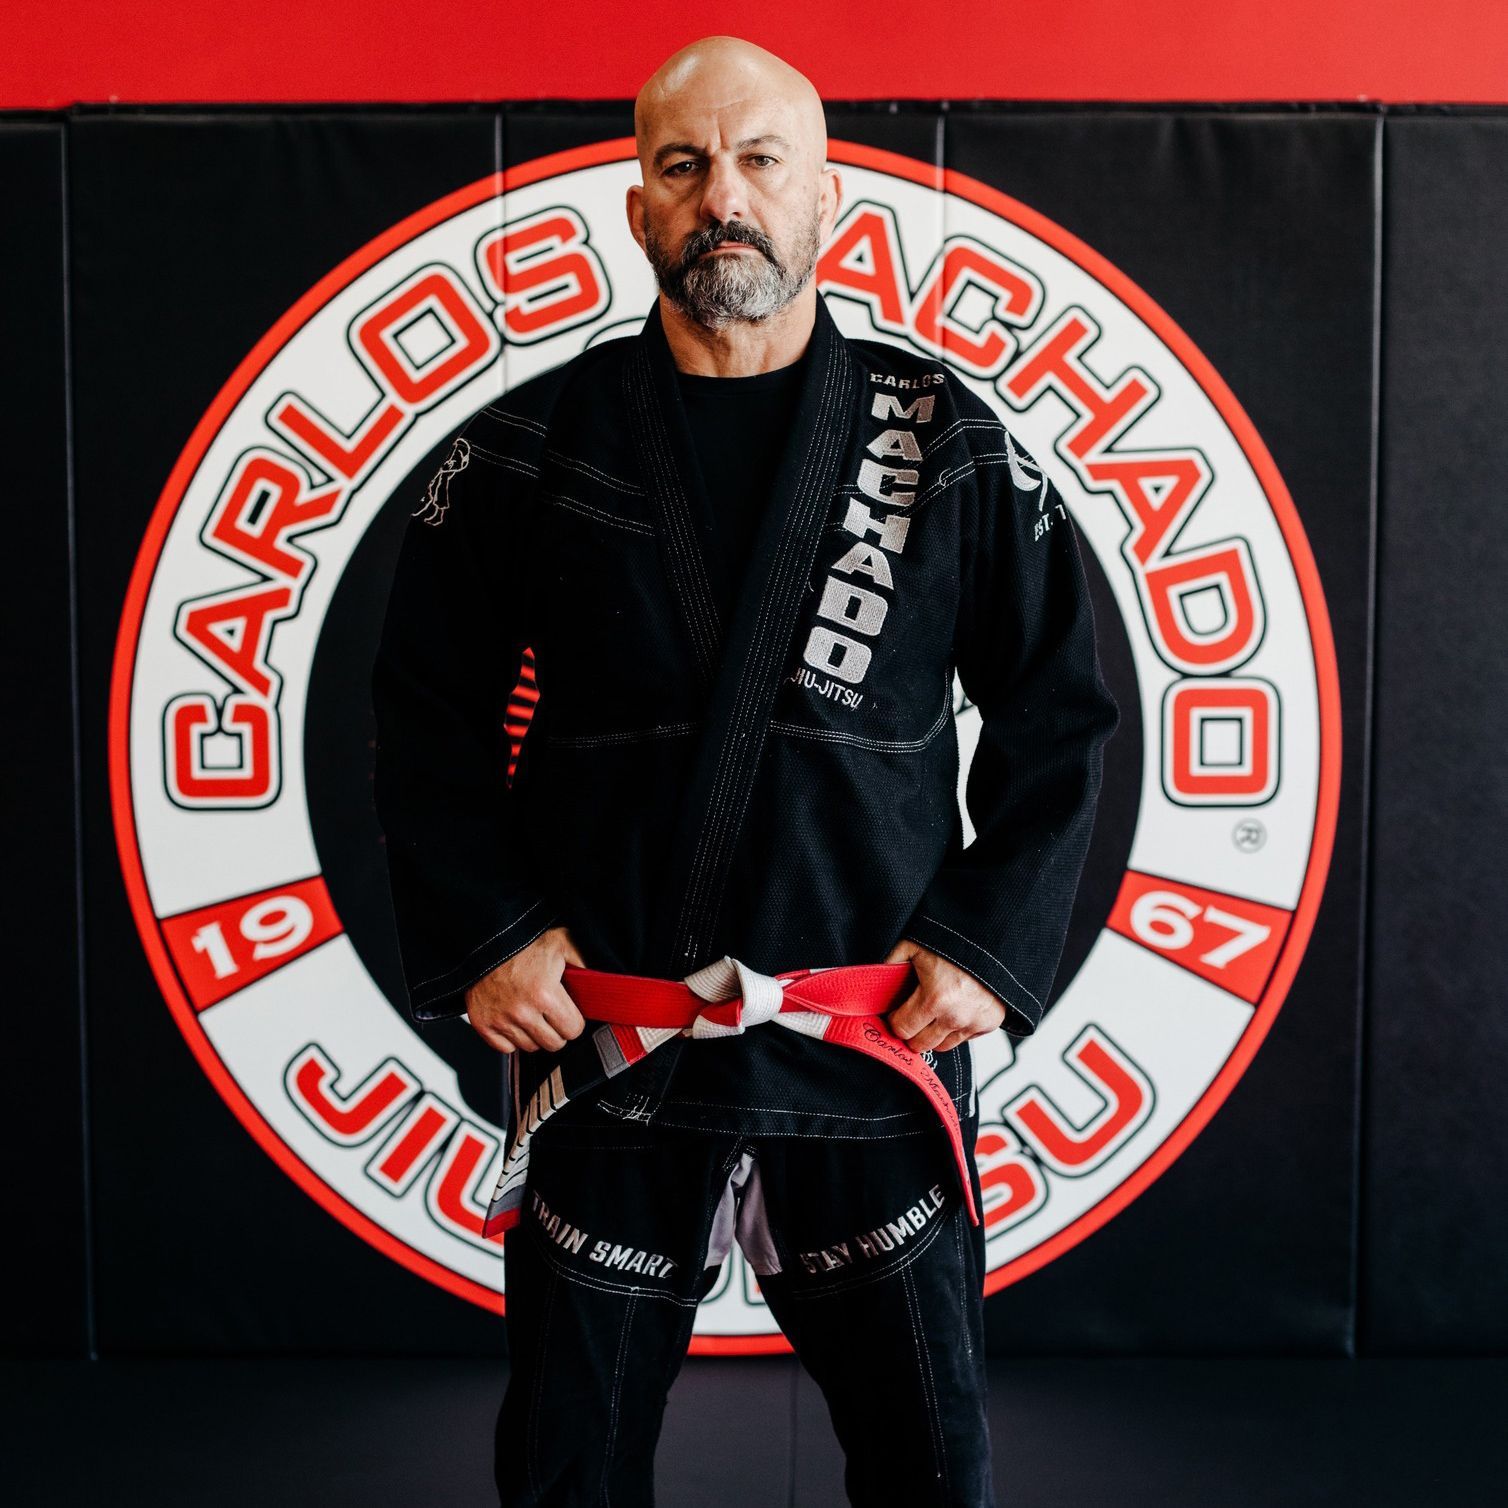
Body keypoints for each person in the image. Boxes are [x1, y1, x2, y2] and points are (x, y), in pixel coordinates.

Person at [370, 33, 1119, 1508]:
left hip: (869, 1033)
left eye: (762, 160)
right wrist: (492, 931)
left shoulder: (942, 441)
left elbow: (1058, 711)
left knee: (930, 1463)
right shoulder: (532, 444)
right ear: (638, 207)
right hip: (613, 1039)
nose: (725, 197)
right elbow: (425, 707)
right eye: (685, 165)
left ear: (827, 195)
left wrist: (990, 942)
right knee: (569, 1468)